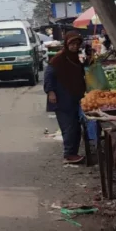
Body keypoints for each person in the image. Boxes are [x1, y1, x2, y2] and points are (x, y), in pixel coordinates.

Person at [44, 32, 87, 164]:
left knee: (76, 126)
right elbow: (49, 75)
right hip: (61, 98)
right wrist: (51, 92)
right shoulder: (58, 59)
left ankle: (73, 153)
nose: (74, 47)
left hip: (74, 97)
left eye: (76, 44)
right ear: (66, 44)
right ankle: (68, 154)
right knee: (69, 127)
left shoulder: (74, 58)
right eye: (72, 44)